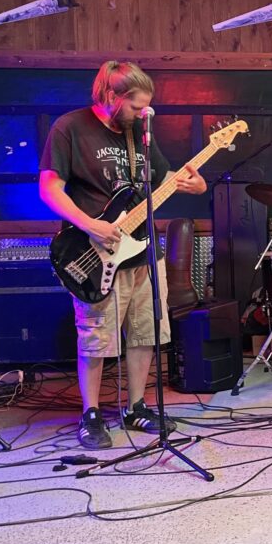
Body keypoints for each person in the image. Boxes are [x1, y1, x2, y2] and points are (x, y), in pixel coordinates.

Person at [39, 60, 207, 449]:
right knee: (96, 336)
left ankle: (136, 406)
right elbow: (49, 188)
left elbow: (163, 179)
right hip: (94, 250)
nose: (142, 113)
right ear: (110, 95)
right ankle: (91, 413)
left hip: (145, 249)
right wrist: (89, 224)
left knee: (145, 332)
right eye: (135, 106)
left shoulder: (139, 133)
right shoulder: (70, 127)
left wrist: (194, 184)